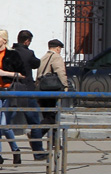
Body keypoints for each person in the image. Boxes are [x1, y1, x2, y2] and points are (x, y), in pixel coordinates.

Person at [2, 30, 45, 159]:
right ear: (27, 41)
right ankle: (38, 152)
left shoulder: (10, 52)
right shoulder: (28, 53)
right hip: (26, 90)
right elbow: (36, 63)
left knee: (5, 121)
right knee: (34, 122)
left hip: (11, 90)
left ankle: (12, 151)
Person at [36, 40, 68, 140]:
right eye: (60, 49)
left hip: (41, 90)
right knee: (51, 117)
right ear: (57, 48)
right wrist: (65, 86)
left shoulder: (43, 57)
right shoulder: (56, 57)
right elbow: (60, 72)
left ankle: (54, 141)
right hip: (51, 91)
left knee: (48, 116)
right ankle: (36, 134)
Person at [0, 30, 20, 165]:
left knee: (4, 126)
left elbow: (22, 74)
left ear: (4, 40)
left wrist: (4, 72)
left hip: (8, 90)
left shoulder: (12, 54)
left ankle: (16, 150)